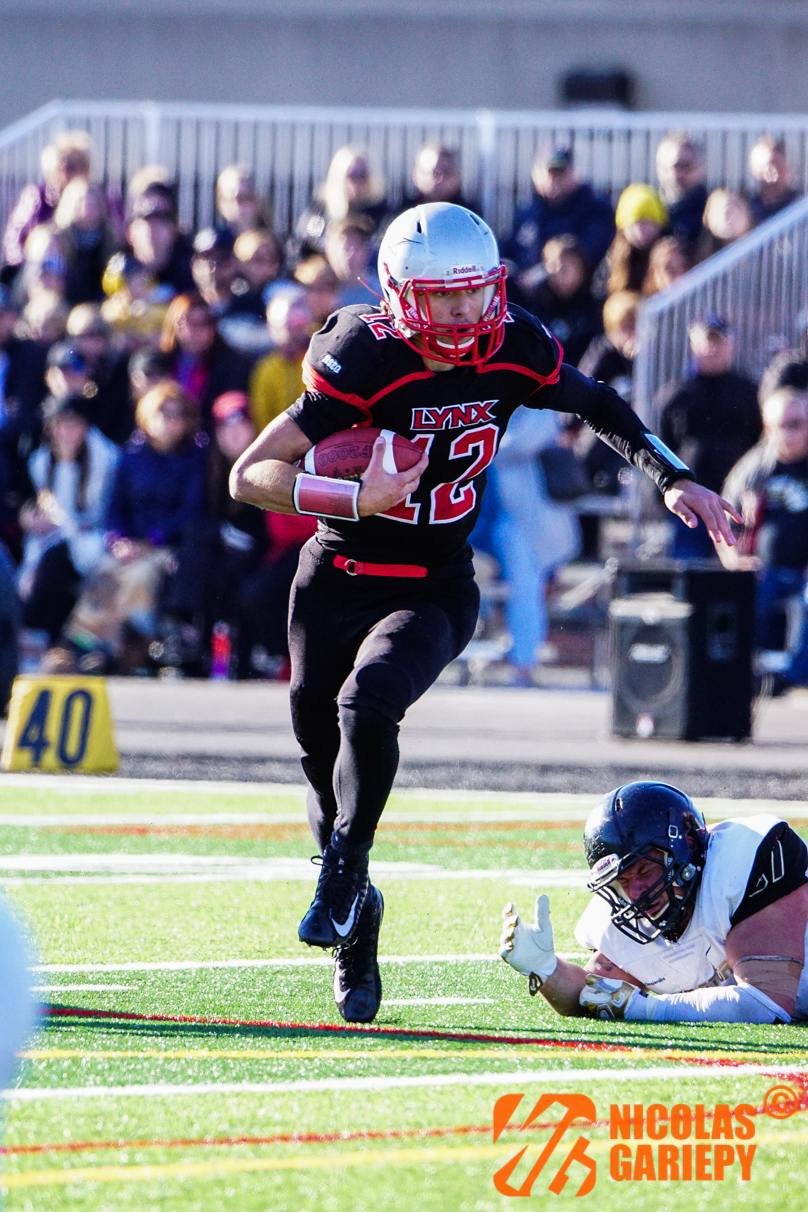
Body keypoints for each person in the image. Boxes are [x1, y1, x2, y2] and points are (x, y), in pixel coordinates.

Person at [230, 202, 739, 1027]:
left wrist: (671, 474)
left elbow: (597, 402)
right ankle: (358, 915)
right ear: (398, 295)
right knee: (320, 770)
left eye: (477, 293)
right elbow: (249, 475)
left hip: (432, 584)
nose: (467, 314)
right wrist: (357, 493)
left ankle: (343, 874)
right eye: (446, 297)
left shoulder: (514, 346)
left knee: (369, 703)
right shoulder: (362, 355)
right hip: (334, 577)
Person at [500, 781, 808, 1025]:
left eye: (645, 870)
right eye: (621, 882)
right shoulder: (618, 918)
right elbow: (592, 995)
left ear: (686, 845)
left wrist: (647, 1009)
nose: (635, 892)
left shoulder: (746, 859)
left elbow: (765, 1004)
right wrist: (545, 970)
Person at [721, 386, 808, 694]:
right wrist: (732, 558)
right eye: (780, 426)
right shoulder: (755, 467)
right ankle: (744, 676)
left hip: (804, 572)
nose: (788, 433)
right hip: (765, 568)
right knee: (740, 596)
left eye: (796, 424)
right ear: (768, 428)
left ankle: (794, 680)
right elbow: (723, 517)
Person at [18, 392, 119, 644]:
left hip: (96, 541)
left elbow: (93, 517)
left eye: (73, 425)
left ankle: (33, 631)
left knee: (56, 563)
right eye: (60, 425)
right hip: (55, 543)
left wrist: (67, 468)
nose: (66, 432)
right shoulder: (41, 461)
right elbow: (44, 519)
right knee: (43, 571)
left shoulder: (106, 458)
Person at [658, 314, 761, 559]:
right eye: (706, 341)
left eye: (718, 341)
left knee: (736, 577)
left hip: (737, 503)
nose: (712, 348)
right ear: (693, 344)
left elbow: (761, 445)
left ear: (731, 345)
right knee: (690, 574)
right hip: (691, 505)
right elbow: (662, 448)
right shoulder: (676, 395)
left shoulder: (750, 392)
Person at [500, 147, 615, 278]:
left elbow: (587, 256)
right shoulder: (527, 213)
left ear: (573, 173)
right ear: (536, 175)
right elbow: (508, 251)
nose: (554, 179)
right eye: (549, 173)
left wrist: (541, 275)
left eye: (560, 173)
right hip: (524, 293)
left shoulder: (595, 211)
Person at [2, 130, 91, 272]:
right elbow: (14, 237)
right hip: (39, 271)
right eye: (64, 166)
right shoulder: (37, 196)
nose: (69, 173)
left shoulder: (96, 198)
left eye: (79, 165)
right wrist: (25, 270)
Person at [289, 146, 389, 265]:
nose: (356, 182)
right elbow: (300, 248)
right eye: (352, 174)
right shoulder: (319, 212)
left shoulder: (382, 215)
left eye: (362, 175)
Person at [518, 235, 602, 368]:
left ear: (581, 270)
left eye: (566, 268)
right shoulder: (535, 302)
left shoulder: (593, 305)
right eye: (553, 267)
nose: (559, 275)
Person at [249, 287, 313, 433]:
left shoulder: (319, 361)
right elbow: (262, 419)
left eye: (298, 327)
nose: (292, 335)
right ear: (272, 328)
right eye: (285, 327)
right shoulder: (266, 370)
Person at [605, 184, 668, 296]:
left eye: (648, 223)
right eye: (635, 224)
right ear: (623, 229)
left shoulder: (670, 255)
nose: (641, 231)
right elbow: (601, 292)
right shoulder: (614, 259)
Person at [654, 133, 708, 251]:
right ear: (660, 169)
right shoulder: (648, 209)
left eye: (687, 165)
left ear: (701, 168)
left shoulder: (711, 210)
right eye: (676, 165)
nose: (681, 173)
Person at [324, 214, 383, 308]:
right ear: (329, 251)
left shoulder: (379, 294)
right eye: (346, 247)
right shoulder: (318, 290)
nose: (351, 255)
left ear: (367, 252)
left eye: (357, 247)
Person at [405, 143, 478, 213]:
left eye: (446, 173)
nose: (439, 180)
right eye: (434, 173)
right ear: (416, 175)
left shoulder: (470, 218)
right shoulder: (402, 216)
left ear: (457, 177)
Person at [748, 136, 801, 227]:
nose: (773, 174)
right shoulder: (748, 209)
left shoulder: (799, 206)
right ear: (755, 171)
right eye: (767, 168)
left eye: (779, 167)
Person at [695, 189, 753, 261]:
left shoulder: (764, 247)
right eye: (718, 212)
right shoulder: (710, 263)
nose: (732, 214)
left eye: (736, 205)